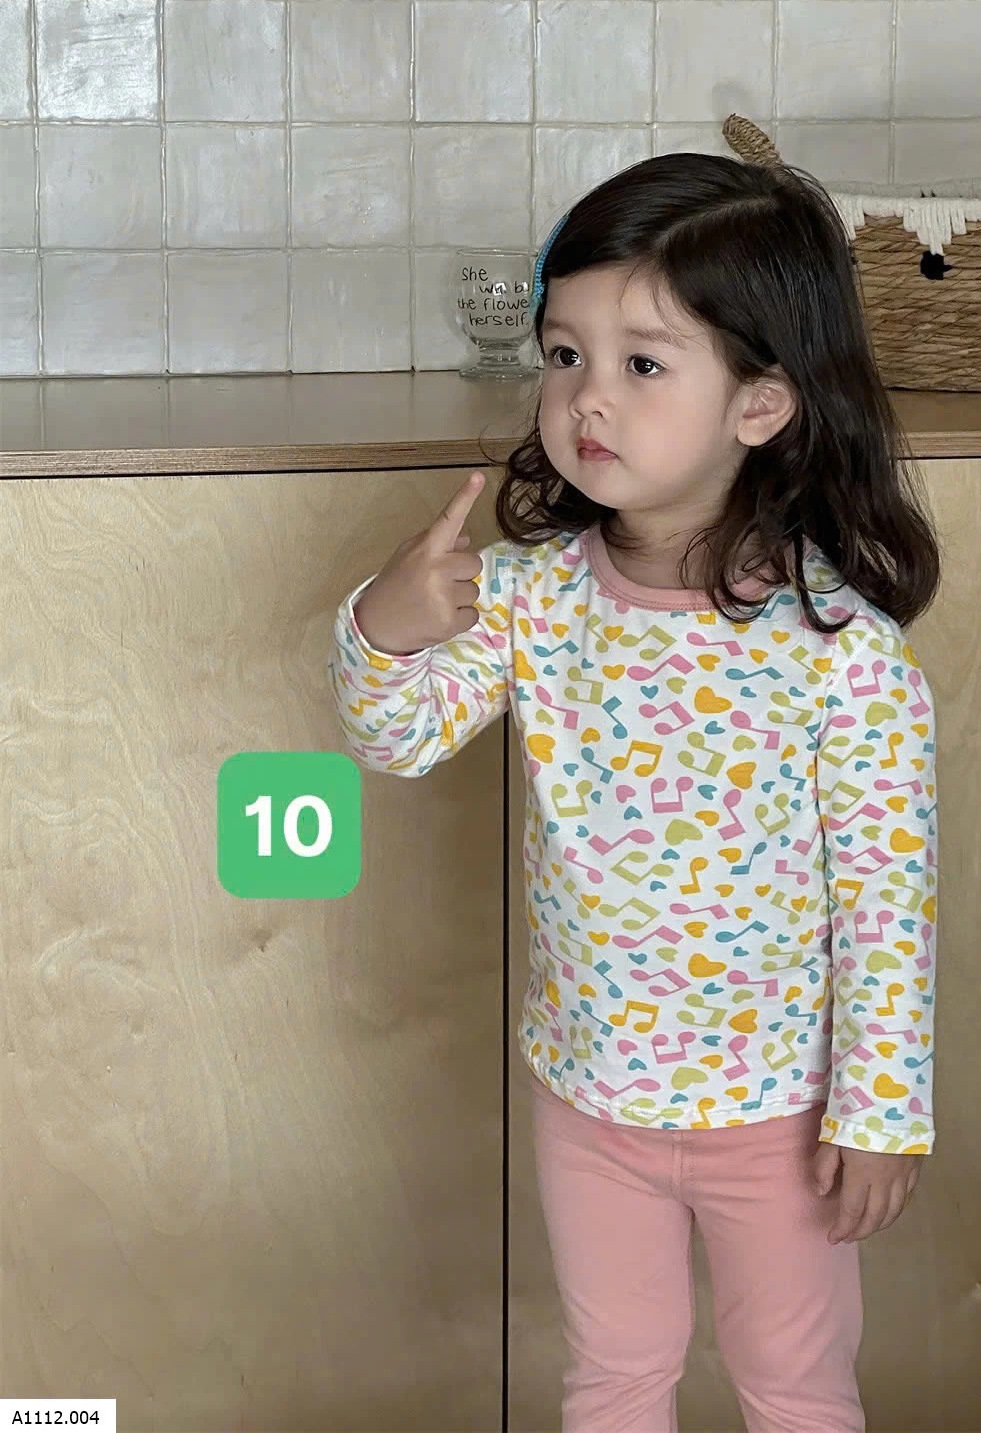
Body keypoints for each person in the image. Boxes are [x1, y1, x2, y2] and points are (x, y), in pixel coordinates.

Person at [328, 150, 941, 1433]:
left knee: (796, 1386)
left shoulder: (844, 653)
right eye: (565, 354)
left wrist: (883, 1111)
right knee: (612, 1378)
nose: (587, 398)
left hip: (781, 1110)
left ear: (760, 403)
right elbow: (399, 740)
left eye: (643, 364)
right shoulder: (529, 597)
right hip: (587, 1094)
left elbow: (889, 903)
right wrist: (384, 625)